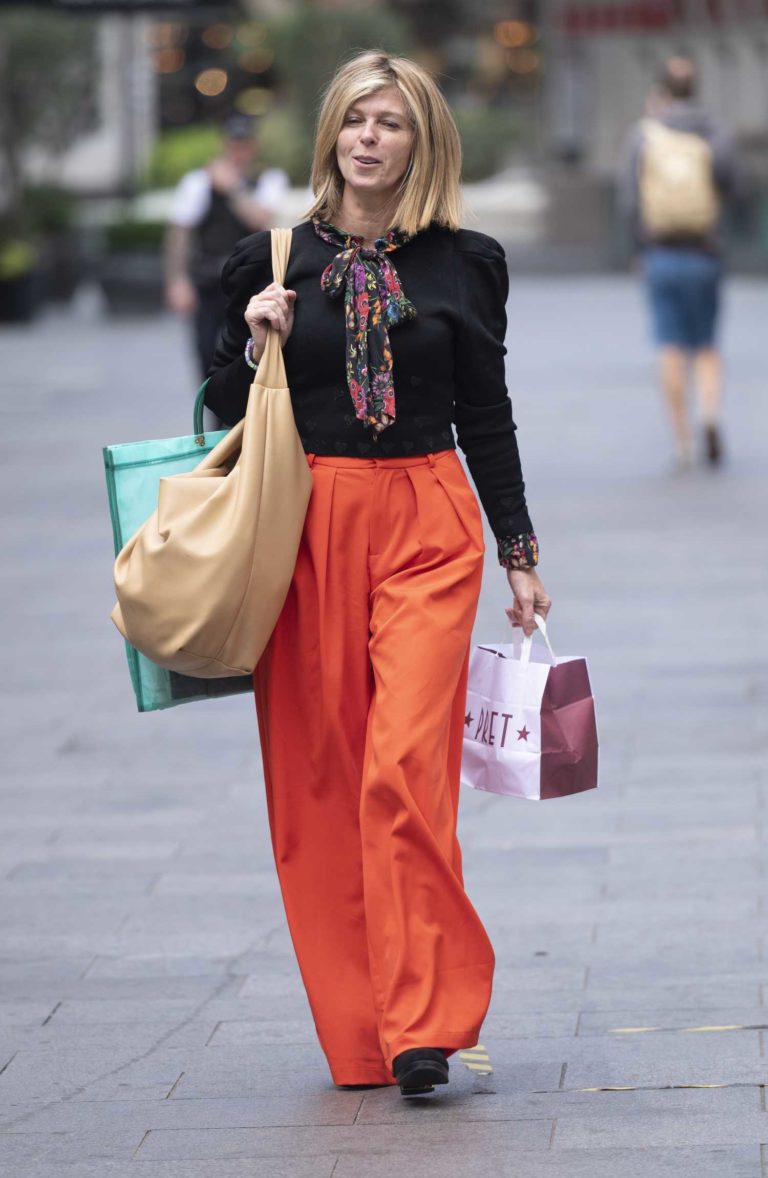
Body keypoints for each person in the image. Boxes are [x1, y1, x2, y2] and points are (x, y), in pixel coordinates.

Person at [204, 51, 551, 1096]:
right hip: (305, 526)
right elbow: (223, 411)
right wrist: (253, 334)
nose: (368, 137)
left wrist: (521, 551)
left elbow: (485, 410)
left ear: (422, 141)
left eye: (391, 122)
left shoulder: (467, 261)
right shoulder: (265, 260)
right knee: (319, 780)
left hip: (428, 520)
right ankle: (362, 1029)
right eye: (354, 118)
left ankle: (424, 1019)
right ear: (330, 137)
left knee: (405, 764)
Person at [621, 55, 742, 470]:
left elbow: (629, 201)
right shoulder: (715, 132)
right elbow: (733, 185)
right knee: (706, 344)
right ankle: (709, 413)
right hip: (705, 251)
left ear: (662, 90)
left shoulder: (645, 136)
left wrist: (639, 247)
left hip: (662, 252)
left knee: (669, 343)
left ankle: (683, 442)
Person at [164, 113, 289, 382]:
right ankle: (213, 420)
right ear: (224, 144)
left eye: (243, 145)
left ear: (253, 146)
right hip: (209, 284)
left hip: (251, 287)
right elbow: (179, 233)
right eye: (233, 144)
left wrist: (232, 188)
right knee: (206, 355)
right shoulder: (198, 182)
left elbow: (260, 219)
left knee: (247, 358)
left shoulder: (268, 180)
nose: (238, 152)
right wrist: (177, 280)